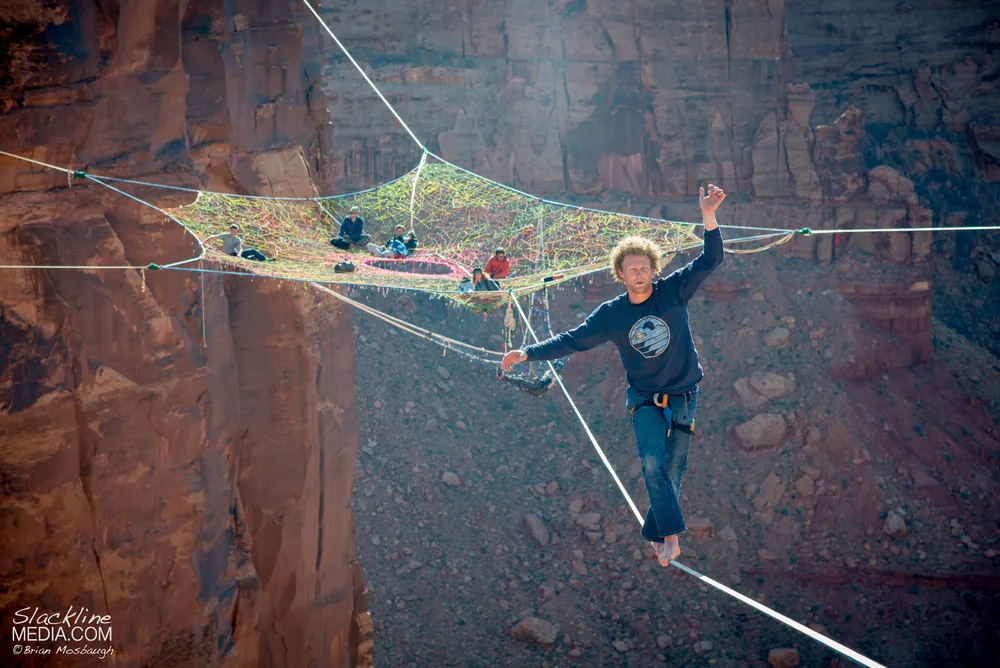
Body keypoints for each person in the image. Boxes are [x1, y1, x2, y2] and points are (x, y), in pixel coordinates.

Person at [501, 184, 727, 568]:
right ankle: (670, 539)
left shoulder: (672, 292)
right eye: (631, 269)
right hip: (644, 400)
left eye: (645, 268)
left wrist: (708, 215)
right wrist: (527, 353)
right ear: (619, 273)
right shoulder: (612, 314)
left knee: (674, 468)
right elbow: (573, 341)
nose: (639, 274)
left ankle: (657, 534)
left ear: (654, 270)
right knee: (653, 462)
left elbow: (711, 259)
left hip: (685, 395)